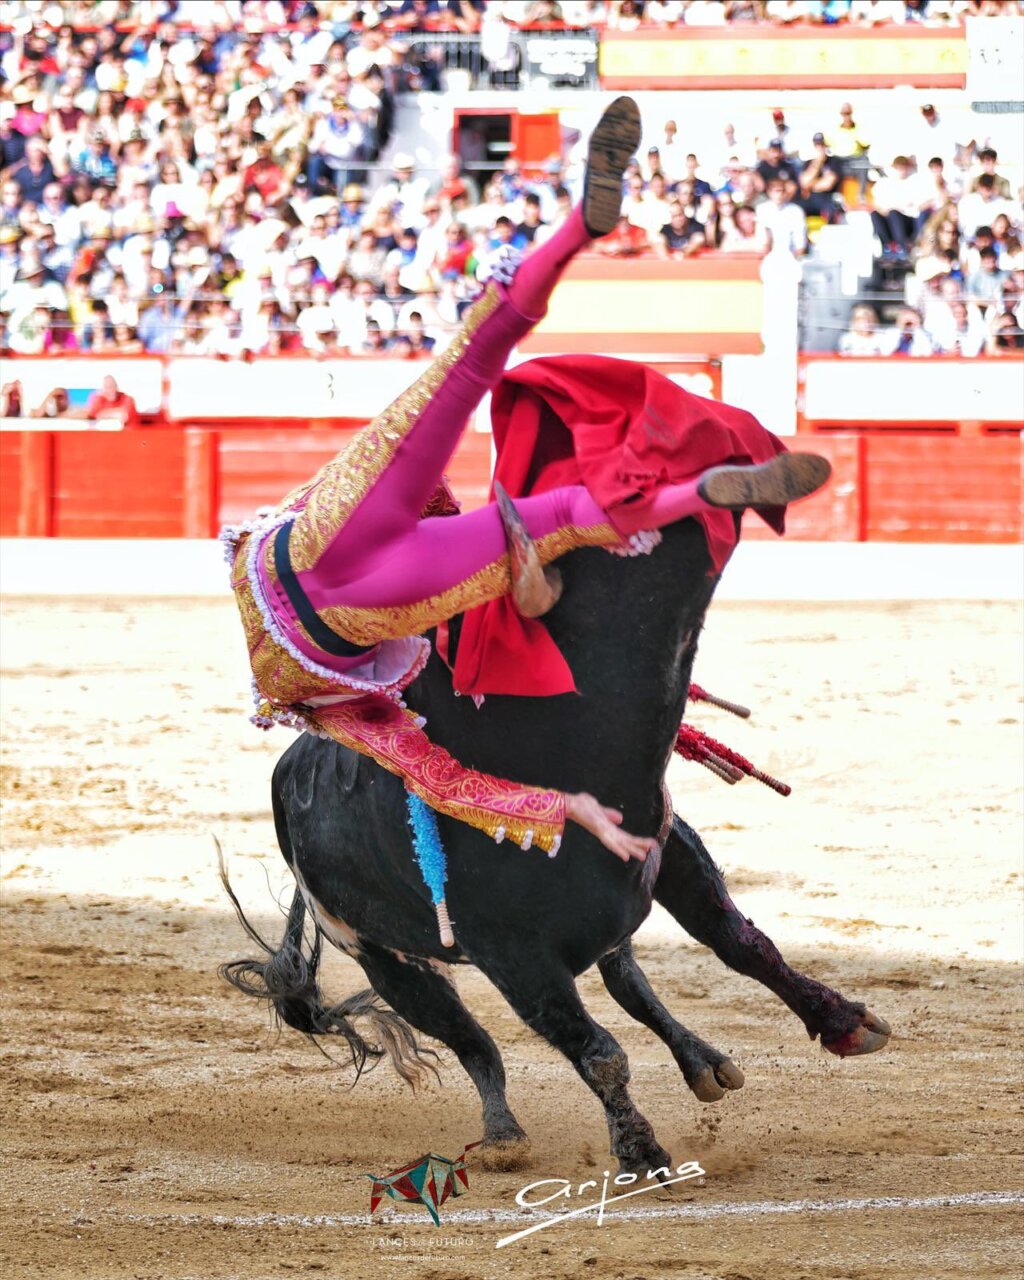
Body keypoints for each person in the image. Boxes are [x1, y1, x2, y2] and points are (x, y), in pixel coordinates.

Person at [224, 98, 831, 868]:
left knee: (572, 518)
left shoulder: (341, 702)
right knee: (473, 355)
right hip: (320, 533)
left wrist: (563, 806)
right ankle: (580, 223)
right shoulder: (297, 633)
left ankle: (702, 485)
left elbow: (441, 778)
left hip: (365, 602)